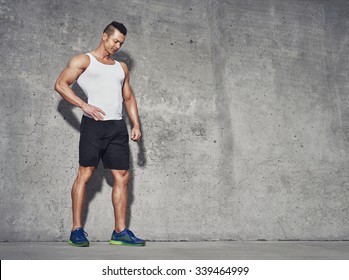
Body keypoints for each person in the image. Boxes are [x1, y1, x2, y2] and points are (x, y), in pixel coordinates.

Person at [54, 21, 145, 247]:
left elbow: (128, 97)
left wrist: (135, 124)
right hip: (93, 126)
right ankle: (76, 230)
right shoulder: (83, 60)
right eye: (115, 40)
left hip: (116, 128)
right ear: (104, 36)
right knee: (85, 174)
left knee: (122, 177)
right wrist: (83, 106)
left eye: (121, 43)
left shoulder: (121, 67)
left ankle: (120, 231)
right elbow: (60, 85)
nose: (117, 45)